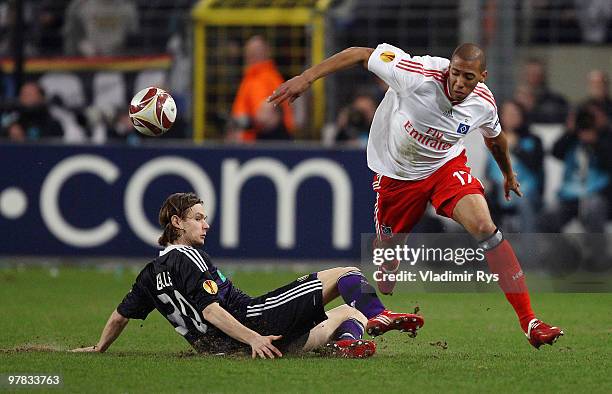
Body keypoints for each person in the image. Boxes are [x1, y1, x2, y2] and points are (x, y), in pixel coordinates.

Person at [268, 43, 564, 349]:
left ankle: (529, 321)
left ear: (482, 77)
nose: (460, 83)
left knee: (485, 227)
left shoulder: (483, 103)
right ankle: (389, 261)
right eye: (457, 74)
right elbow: (358, 53)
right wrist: (307, 77)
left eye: (469, 78)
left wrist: (508, 173)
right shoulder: (416, 74)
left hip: (444, 167)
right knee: (388, 249)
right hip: (397, 174)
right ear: (449, 68)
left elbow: (496, 138)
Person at [72, 192, 423, 359]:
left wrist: (100, 347)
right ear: (176, 223)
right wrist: (254, 339)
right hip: (253, 323)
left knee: (349, 312)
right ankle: (380, 315)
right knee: (347, 273)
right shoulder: (187, 257)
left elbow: (121, 315)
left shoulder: (150, 274)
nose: (206, 224)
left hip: (225, 347)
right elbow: (211, 310)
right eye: (197, 217)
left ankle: (341, 346)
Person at [228, 35, 295, 142]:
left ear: (267, 52)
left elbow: (265, 116)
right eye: (250, 51)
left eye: (256, 51)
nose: (252, 54)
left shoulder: (262, 78)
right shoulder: (254, 77)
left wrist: (240, 124)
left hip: (260, 143)